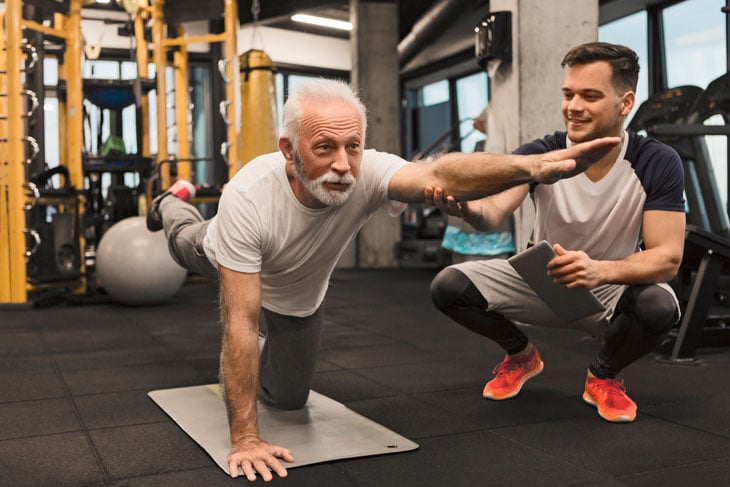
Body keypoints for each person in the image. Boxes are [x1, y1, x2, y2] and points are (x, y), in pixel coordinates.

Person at [146, 78, 619, 481]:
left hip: (297, 296)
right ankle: (171, 202)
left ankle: (265, 364)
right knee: (185, 241)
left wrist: (530, 167)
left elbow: (440, 172)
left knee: (289, 401)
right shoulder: (249, 198)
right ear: (288, 151)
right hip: (223, 249)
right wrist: (245, 438)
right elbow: (239, 325)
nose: (342, 165)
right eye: (324, 148)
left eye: (352, 147)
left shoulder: (370, 172)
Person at [427, 42, 685, 424]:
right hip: (540, 282)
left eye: (590, 96)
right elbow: (493, 214)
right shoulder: (541, 154)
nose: (573, 107)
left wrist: (599, 271)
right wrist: (468, 210)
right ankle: (521, 355)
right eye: (568, 94)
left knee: (660, 307)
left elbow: (667, 257)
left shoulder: (656, 162)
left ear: (625, 102)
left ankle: (603, 375)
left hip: (609, 286)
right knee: (447, 286)